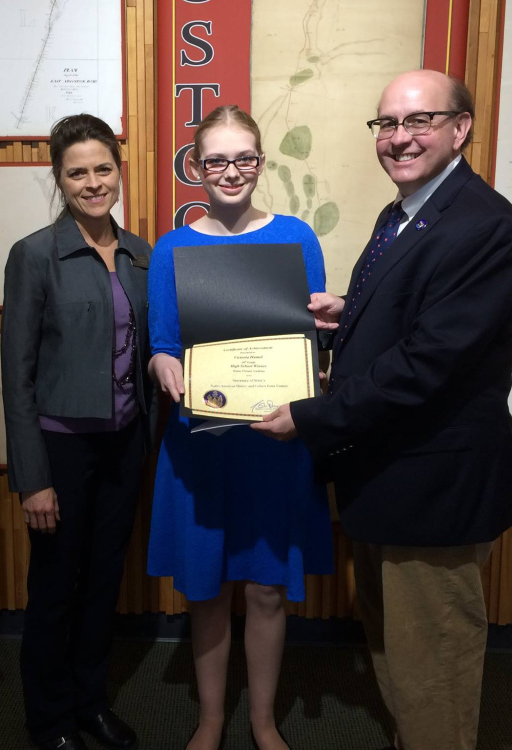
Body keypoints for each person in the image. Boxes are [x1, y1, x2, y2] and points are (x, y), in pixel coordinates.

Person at [253, 70, 512, 750]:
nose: (398, 138)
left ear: (460, 127)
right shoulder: (406, 210)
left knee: (432, 666)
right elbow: (425, 320)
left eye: (418, 121)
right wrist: (349, 315)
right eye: (386, 124)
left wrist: (311, 416)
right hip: (387, 477)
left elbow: (429, 365)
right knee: (396, 655)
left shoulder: (483, 224)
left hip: (435, 489)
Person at [147, 105, 334, 750]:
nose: (231, 172)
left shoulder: (297, 238)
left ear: (261, 163)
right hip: (200, 444)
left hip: (275, 441)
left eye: (245, 159)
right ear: (196, 168)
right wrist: (161, 359)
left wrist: (321, 355)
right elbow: (164, 341)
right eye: (216, 160)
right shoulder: (173, 247)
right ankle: (208, 719)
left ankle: (262, 722)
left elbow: (312, 342)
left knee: (265, 589)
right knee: (205, 589)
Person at [1, 113, 156, 750]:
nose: (93, 183)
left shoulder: (143, 254)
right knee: (56, 587)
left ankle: (91, 704)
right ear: (60, 180)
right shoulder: (35, 255)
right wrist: (33, 480)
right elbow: (17, 376)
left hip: (125, 443)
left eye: (102, 168)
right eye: (77, 173)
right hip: (61, 447)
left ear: (118, 170)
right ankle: (50, 721)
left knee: (103, 582)